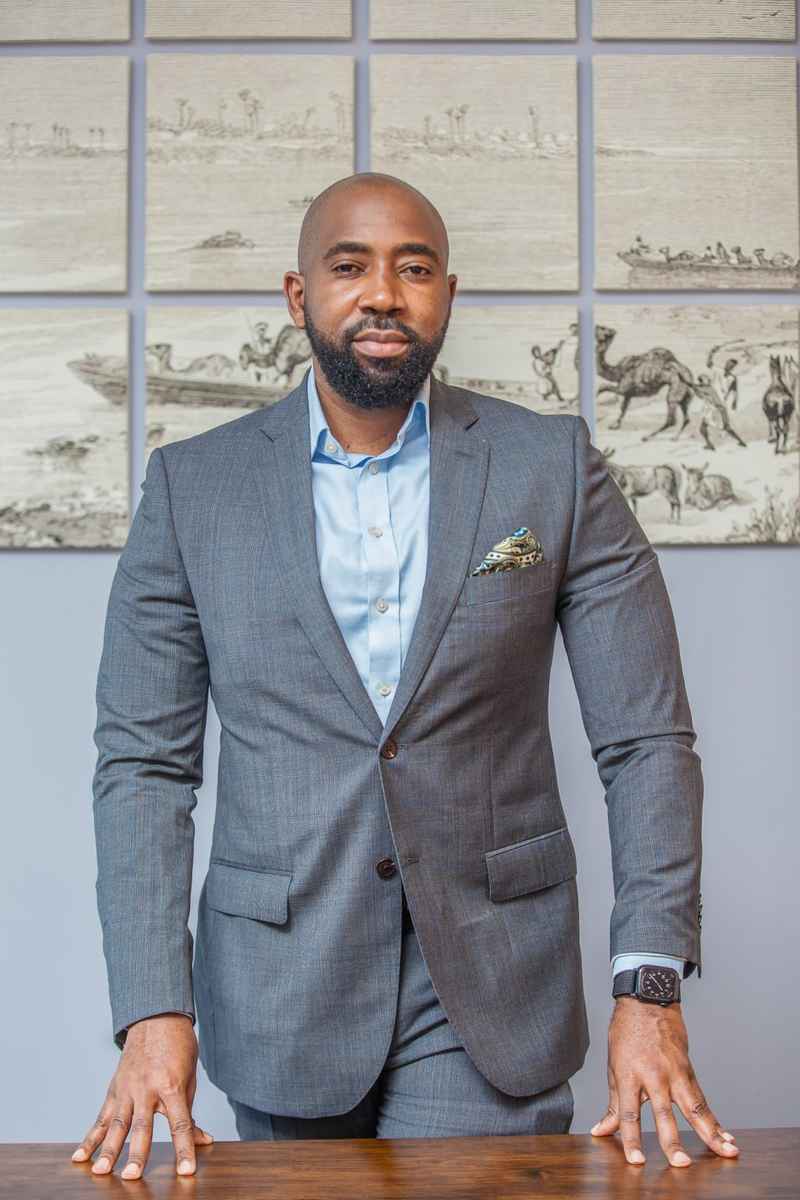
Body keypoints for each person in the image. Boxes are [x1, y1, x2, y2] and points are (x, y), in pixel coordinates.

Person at [72, 172, 739, 1180]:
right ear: (298, 294)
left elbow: (644, 740)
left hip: (494, 983)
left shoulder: (549, 467)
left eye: (413, 269)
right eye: (349, 266)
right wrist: (153, 1008)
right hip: (281, 985)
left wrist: (647, 988)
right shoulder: (190, 488)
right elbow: (143, 766)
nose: (383, 293)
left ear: (446, 295)